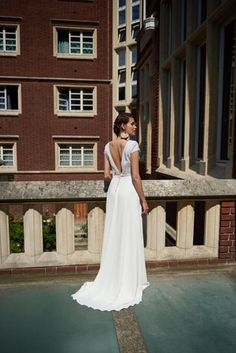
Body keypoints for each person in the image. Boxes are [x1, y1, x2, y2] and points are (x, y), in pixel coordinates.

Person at [72, 112, 149, 311]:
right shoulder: (132, 146)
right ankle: (128, 280)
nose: (135, 127)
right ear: (123, 126)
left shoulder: (107, 146)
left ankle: (113, 277)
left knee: (115, 233)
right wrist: (143, 200)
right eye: (132, 124)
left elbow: (106, 175)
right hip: (127, 191)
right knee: (129, 233)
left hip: (114, 191)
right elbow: (135, 176)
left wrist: (115, 178)